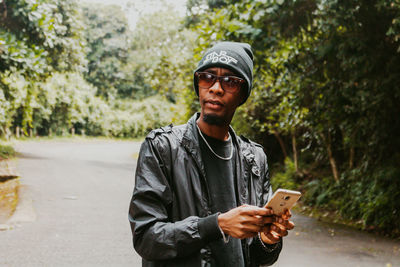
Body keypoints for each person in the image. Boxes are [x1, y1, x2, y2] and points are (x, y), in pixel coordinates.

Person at [128, 41, 294, 267]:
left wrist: (267, 240)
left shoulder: (255, 158)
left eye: (230, 81)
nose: (216, 88)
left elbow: (259, 257)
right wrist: (217, 225)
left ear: (243, 93)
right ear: (198, 85)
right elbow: (147, 238)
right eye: (208, 77)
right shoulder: (162, 147)